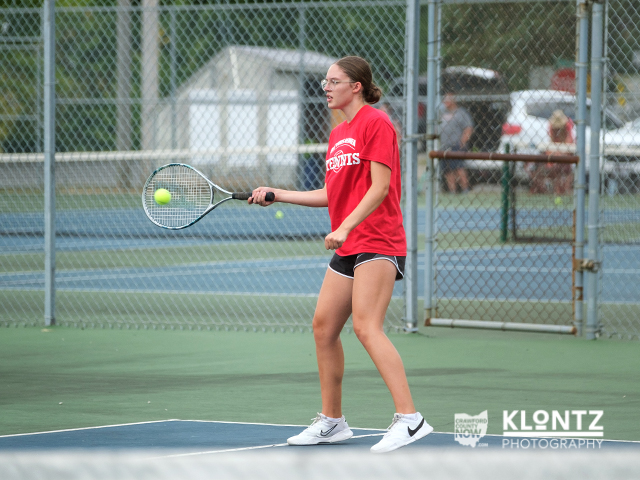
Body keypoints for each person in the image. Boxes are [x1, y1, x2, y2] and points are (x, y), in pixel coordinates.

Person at [249, 56, 433, 453]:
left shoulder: (376, 123)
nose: (326, 88)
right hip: (350, 244)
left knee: (367, 327)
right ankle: (332, 422)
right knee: (323, 328)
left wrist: (346, 226)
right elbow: (331, 193)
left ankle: (411, 419)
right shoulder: (338, 134)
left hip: (379, 240)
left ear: (356, 86)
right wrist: (278, 194)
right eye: (325, 82)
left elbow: (380, 187)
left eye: (334, 81)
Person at [439, 92, 473, 193]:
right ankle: (452, 191)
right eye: (444, 100)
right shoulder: (442, 113)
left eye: (448, 100)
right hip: (444, 145)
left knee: (459, 168)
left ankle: (465, 189)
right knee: (447, 170)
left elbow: (468, 128)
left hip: (456, 145)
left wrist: (463, 141)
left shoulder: (460, 113)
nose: (445, 102)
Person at [547, 109, 574, 196]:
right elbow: (551, 142)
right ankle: (557, 190)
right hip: (556, 151)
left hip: (566, 150)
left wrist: (561, 152)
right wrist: (556, 153)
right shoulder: (551, 126)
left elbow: (569, 142)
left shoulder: (567, 125)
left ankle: (567, 190)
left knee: (567, 170)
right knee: (555, 168)